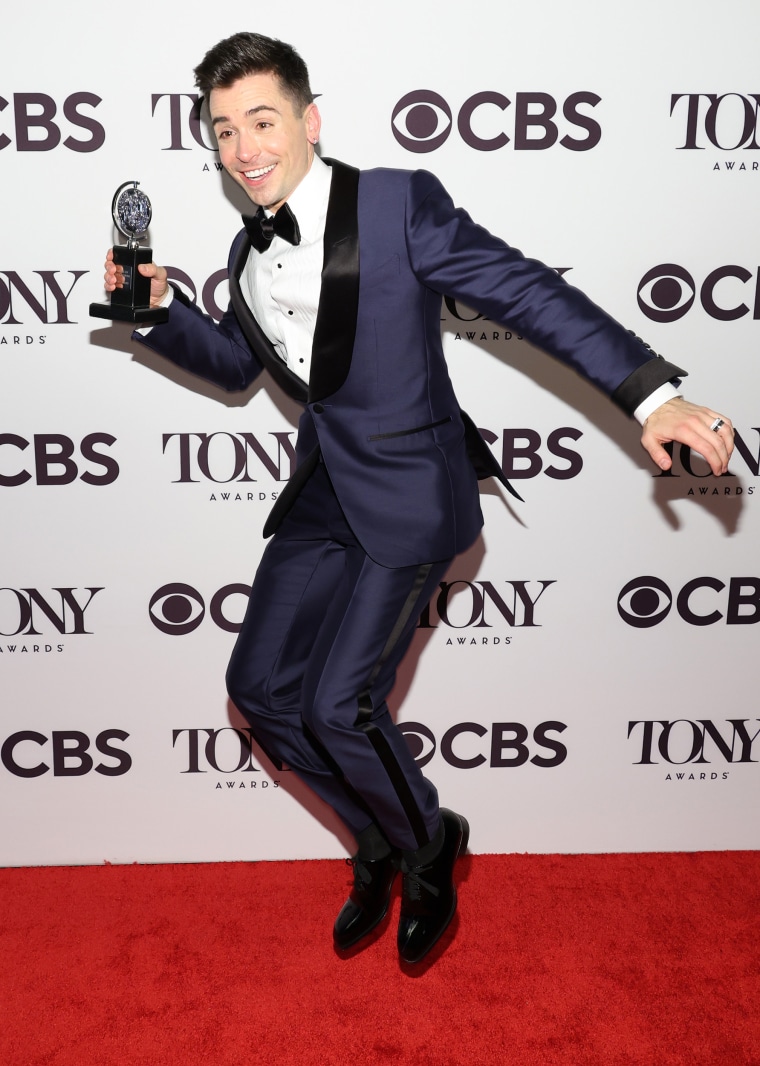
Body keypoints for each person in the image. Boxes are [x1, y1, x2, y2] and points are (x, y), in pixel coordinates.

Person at [102, 31, 734, 966]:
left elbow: (523, 291)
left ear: (310, 121)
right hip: (327, 490)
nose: (245, 148)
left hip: (409, 493)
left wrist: (649, 390)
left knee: (337, 705)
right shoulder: (246, 249)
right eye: (225, 130)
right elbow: (241, 366)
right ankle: (378, 837)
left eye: (263, 120)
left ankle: (429, 844)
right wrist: (156, 310)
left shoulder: (396, 202)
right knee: (258, 694)